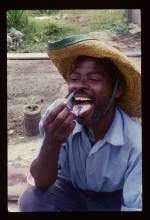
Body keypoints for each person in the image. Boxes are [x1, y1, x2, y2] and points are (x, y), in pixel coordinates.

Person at [18, 35, 142, 212]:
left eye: (94, 79)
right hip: (71, 195)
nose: (80, 86)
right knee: (32, 201)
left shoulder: (136, 142)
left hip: (114, 201)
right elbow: (42, 182)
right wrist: (52, 141)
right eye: (74, 79)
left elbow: (134, 206)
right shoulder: (57, 118)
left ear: (118, 90)